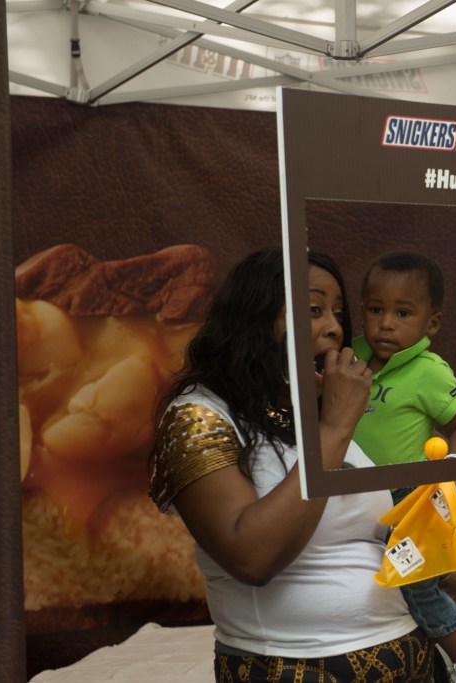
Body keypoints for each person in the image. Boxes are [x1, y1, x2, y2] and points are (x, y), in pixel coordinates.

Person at [148, 247, 435, 682]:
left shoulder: (316, 413)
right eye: (314, 310)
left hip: (406, 655)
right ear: (254, 320)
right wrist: (335, 429)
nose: (335, 328)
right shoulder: (199, 415)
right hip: (291, 668)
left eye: (338, 313)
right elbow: (251, 558)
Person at [350, 250, 456, 683]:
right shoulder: (349, 356)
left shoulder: (429, 371)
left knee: (416, 586)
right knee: (378, 590)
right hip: (354, 497)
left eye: (402, 313)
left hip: (411, 502)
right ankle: (431, 663)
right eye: (375, 310)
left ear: (432, 323)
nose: (386, 323)